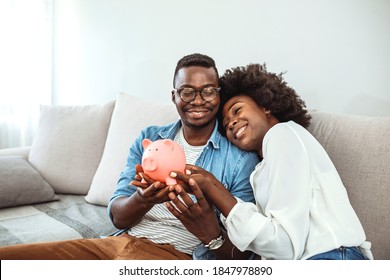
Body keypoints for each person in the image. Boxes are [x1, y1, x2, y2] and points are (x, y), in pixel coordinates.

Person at [0, 54, 259, 260]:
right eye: (187, 91)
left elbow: (241, 256)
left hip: (171, 257)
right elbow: (117, 216)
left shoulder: (239, 159)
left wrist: (209, 231)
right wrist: (142, 199)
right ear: (174, 97)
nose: (198, 100)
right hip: (116, 244)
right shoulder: (150, 139)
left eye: (208, 91)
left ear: (218, 94)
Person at [167, 63, 373, 260]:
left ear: (265, 106)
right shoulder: (261, 169)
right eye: (226, 124)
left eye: (237, 110)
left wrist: (213, 187)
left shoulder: (282, 134)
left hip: (333, 257)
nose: (231, 123)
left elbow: (284, 247)